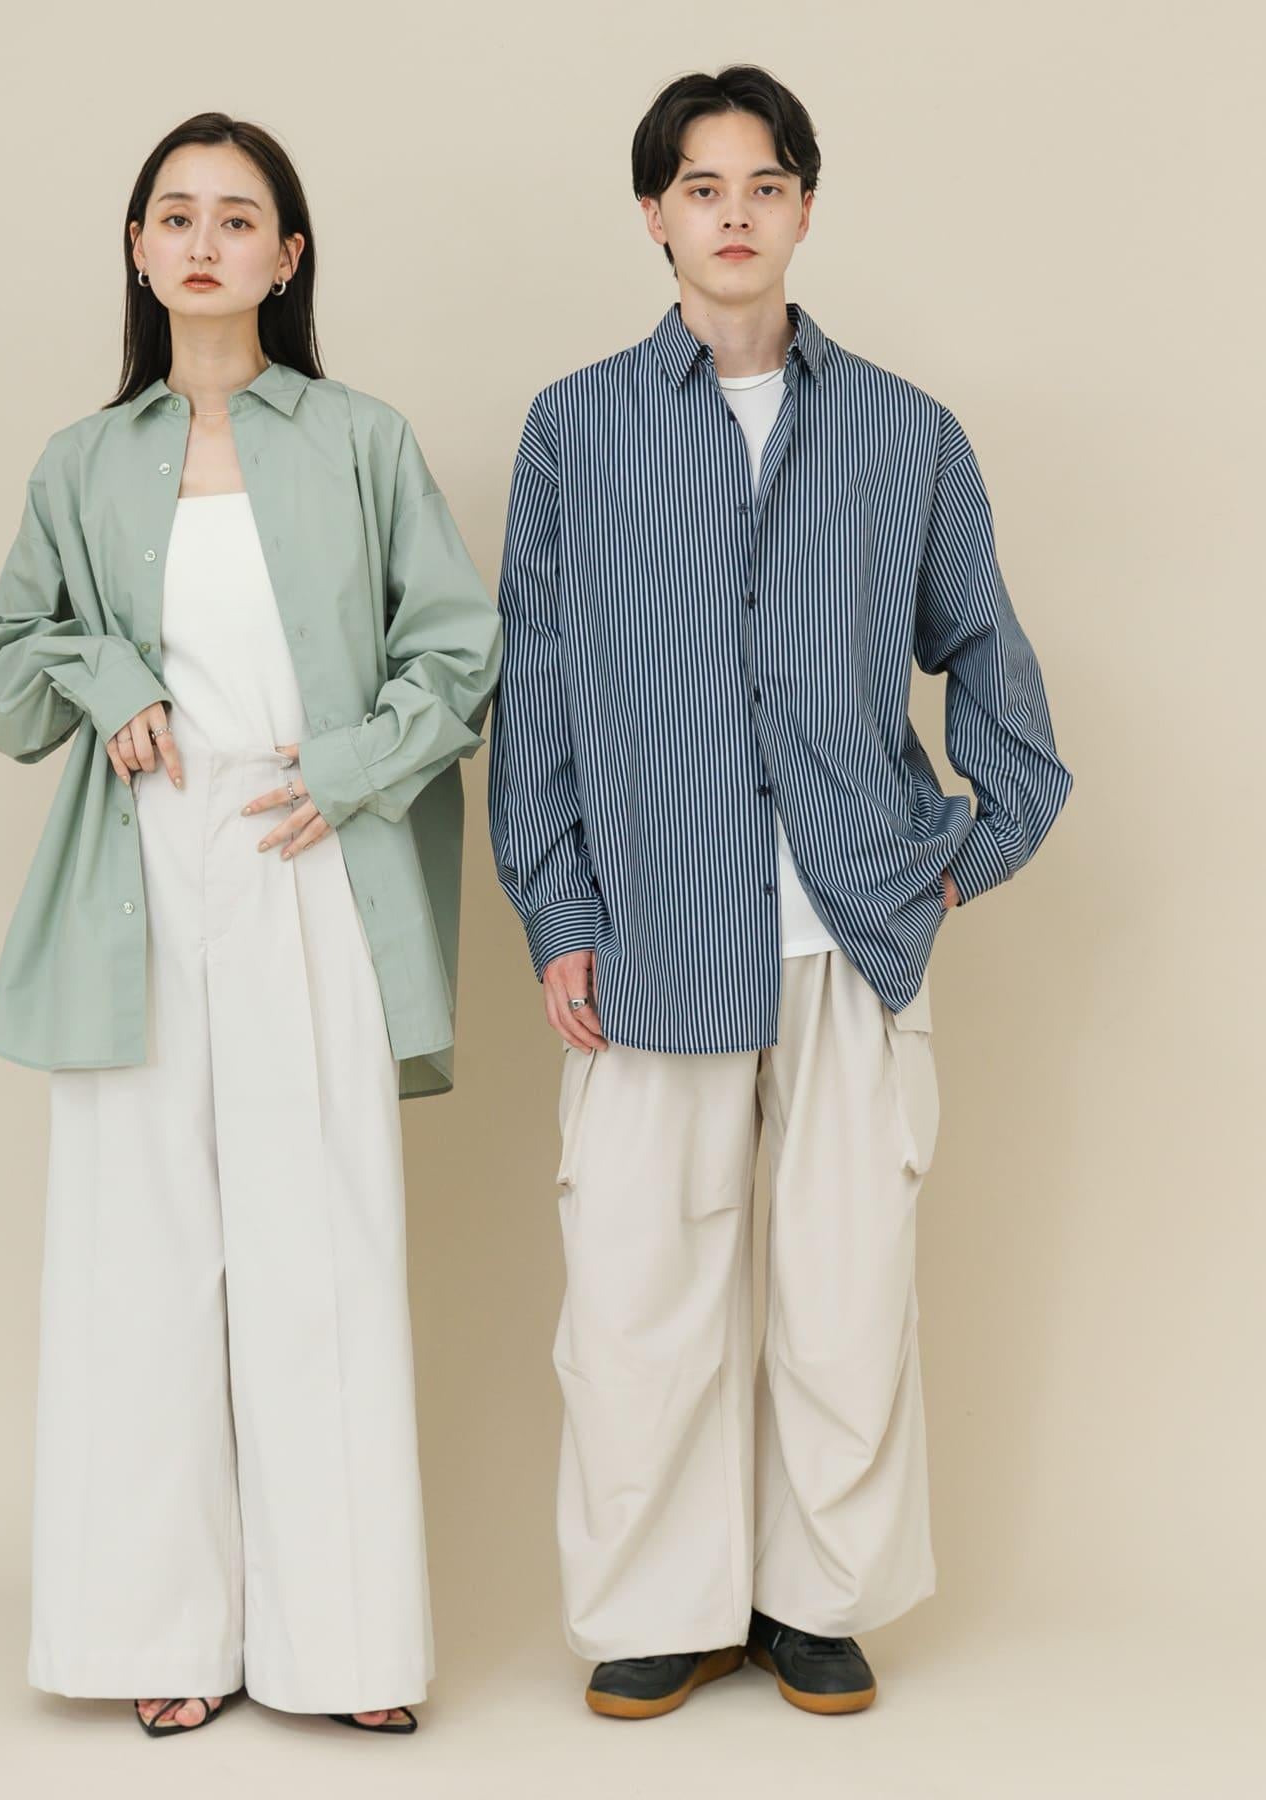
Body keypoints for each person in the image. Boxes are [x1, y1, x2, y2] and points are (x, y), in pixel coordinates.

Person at [487, 65, 1073, 1721]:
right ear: (654, 215)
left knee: (843, 1291)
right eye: (701, 186)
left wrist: (956, 860)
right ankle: (658, 1608)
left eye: (763, 184)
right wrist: (558, 913)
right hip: (652, 928)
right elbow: (535, 693)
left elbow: (991, 666)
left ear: (806, 206)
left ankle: (816, 1600)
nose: (732, 213)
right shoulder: (576, 427)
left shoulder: (905, 432)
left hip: (851, 933)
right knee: (639, 1297)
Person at [0, 111, 501, 1740]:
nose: (205, 241)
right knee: (139, 1260)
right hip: (135, 880)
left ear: (287, 255)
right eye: (175, 215)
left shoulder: (361, 440)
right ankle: (163, 1636)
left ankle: (349, 1655)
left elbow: (459, 652)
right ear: (139, 251)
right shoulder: (80, 461)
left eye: (238, 216)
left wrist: (350, 769)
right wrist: (100, 669)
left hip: (307, 859)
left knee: (320, 1251)